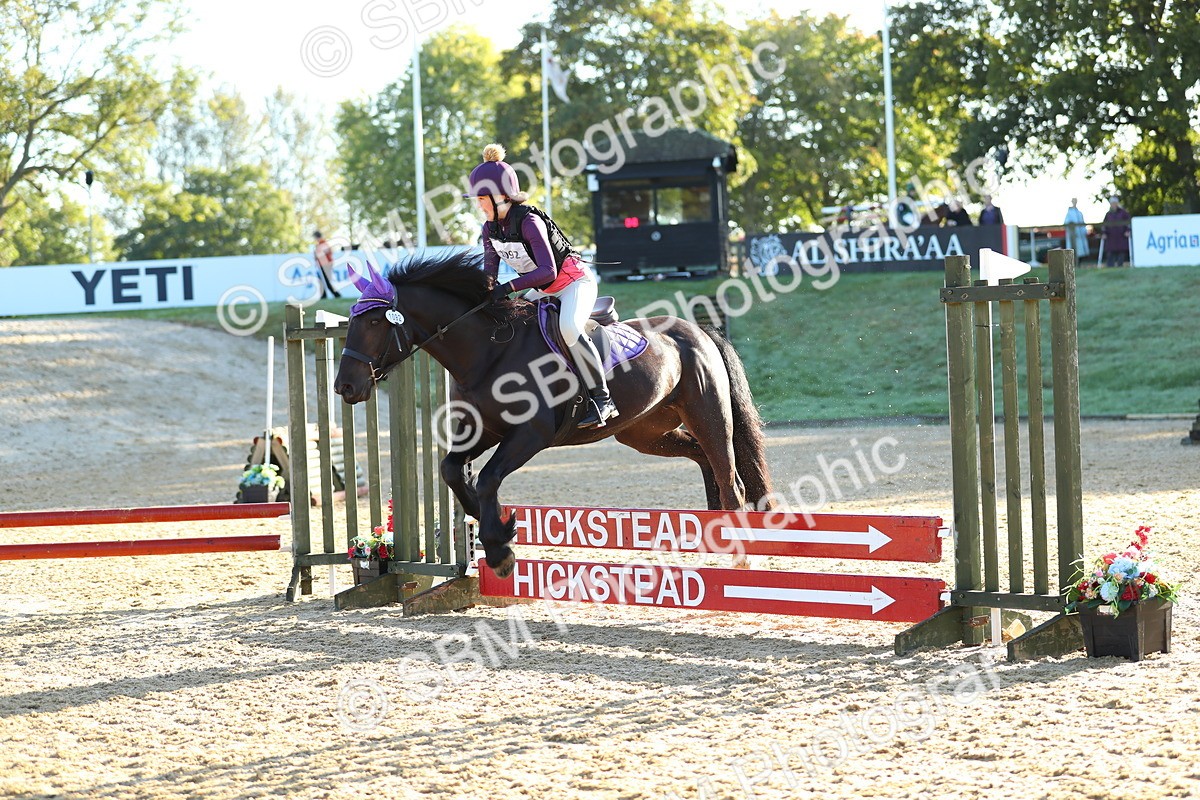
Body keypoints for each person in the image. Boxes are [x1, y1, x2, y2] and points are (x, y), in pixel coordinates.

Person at [465, 143, 617, 429]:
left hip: (574, 283)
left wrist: (507, 289)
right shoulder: (489, 229)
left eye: (481, 198)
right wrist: (481, 295)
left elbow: (547, 271)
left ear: (499, 197)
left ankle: (603, 397)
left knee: (569, 328)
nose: (478, 204)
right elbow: (489, 273)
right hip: (544, 288)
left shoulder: (529, 222)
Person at [1101, 196, 1131, 266]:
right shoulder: (1108, 214)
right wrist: (1104, 233)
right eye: (1112, 203)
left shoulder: (1123, 213)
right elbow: (1104, 225)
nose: (1113, 205)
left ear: (1117, 203)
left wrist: (1128, 231)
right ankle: (1110, 268)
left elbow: (1128, 223)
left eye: (1115, 203)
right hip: (1111, 238)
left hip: (1121, 237)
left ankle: (1120, 266)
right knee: (1110, 254)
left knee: (1121, 254)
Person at [312, 231, 340, 298]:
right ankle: (324, 295)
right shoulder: (320, 244)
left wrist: (317, 254)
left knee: (326, 281)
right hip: (322, 265)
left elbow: (327, 251)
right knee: (322, 280)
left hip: (326, 265)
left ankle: (336, 294)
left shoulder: (323, 243)